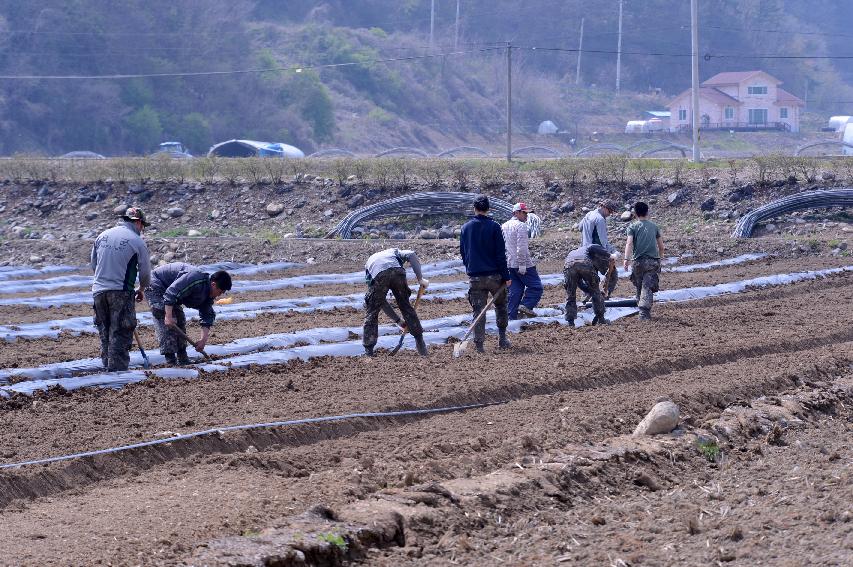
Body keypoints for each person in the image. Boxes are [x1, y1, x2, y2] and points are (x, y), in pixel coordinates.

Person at [91, 207, 152, 371]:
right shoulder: (137, 241)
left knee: (105, 331)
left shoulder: (102, 236)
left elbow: (93, 265)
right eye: (142, 226)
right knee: (121, 332)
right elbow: (145, 273)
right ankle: (117, 375)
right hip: (121, 291)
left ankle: (107, 368)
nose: (142, 229)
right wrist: (142, 289)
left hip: (98, 291)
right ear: (138, 222)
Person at [145, 263, 232, 365]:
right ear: (213, 284)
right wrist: (168, 316)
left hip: (171, 292)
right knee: (167, 321)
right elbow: (171, 293)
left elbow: (207, 315)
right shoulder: (195, 278)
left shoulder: (208, 295)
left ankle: (183, 358)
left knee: (180, 319)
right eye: (220, 292)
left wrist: (203, 340)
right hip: (156, 284)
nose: (219, 296)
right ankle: (171, 360)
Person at [460, 195, 512, 352]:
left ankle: (479, 346)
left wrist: (470, 268)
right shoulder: (495, 227)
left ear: (474, 209)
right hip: (494, 276)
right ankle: (502, 339)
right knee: (501, 305)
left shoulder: (465, 227)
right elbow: (500, 254)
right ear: (488, 209)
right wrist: (507, 276)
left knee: (478, 311)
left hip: (475, 277)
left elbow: (463, 252)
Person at [363, 248, 429, 357]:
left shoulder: (369, 264)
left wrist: (397, 321)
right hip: (397, 272)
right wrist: (420, 279)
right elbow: (411, 254)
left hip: (379, 275)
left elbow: (381, 302)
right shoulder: (395, 252)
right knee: (406, 307)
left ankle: (368, 352)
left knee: (372, 311)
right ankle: (421, 345)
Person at [624, 201, 664, 321]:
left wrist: (626, 259)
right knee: (647, 287)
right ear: (647, 212)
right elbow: (661, 247)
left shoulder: (632, 227)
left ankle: (641, 310)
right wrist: (660, 258)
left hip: (638, 263)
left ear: (635, 214)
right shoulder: (654, 226)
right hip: (652, 262)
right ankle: (644, 313)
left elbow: (629, 243)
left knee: (639, 286)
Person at [501, 202, 543, 319]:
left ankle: (511, 317)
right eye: (524, 213)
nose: (526, 216)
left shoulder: (504, 226)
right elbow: (521, 247)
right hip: (522, 263)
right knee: (536, 287)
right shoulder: (521, 226)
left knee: (515, 290)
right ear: (516, 212)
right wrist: (523, 265)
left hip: (509, 264)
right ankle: (526, 305)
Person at [563, 244, 612, 327]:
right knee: (596, 292)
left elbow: (580, 284)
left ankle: (570, 322)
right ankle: (601, 319)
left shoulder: (572, 253)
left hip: (568, 266)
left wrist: (588, 291)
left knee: (570, 295)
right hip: (584, 263)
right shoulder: (590, 246)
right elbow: (599, 249)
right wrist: (610, 255)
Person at [579, 198, 619, 297]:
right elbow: (603, 242)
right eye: (610, 211)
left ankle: (586, 300)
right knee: (613, 275)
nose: (610, 214)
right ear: (604, 207)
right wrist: (613, 253)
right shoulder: (600, 219)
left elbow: (580, 228)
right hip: (596, 252)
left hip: (584, 252)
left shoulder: (588, 214)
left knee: (590, 278)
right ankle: (605, 296)